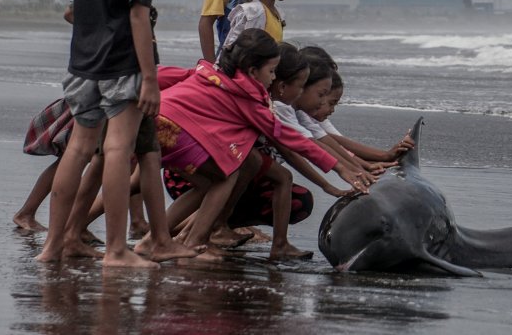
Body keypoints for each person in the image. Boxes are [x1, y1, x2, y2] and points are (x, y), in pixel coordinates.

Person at [37, 0, 170, 269]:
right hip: (120, 65)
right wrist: (149, 78)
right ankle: (116, 250)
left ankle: (52, 246)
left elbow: (77, 8)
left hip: (82, 64)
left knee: (77, 150)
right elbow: (138, 15)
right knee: (117, 149)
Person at [154, 29, 367, 259]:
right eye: (272, 71)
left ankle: (160, 239)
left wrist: (138, 83)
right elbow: (290, 139)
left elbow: (169, 75)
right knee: (225, 177)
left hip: (156, 123)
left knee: (223, 175)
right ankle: (193, 239)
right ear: (254, 71)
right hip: (176, 133)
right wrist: (337, 168)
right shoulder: (250, 99)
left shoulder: (217, 76)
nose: (273, 77)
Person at [295, 46, 414, 166]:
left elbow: (335, 144)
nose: (322, 102)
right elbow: (323, 144)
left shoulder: (304, 115)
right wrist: (370, 163)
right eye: (322, 94)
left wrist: (381, 158)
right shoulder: (285, 110)